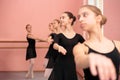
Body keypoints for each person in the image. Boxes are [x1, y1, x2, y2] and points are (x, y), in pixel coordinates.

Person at [73, 5, 120, 80]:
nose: (80, 19)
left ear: (98, 18)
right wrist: (90, 58)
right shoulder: (80, 47)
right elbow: (79, 60)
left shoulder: (117, 45)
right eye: (79, 17)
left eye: (85, 15)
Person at [52, 11, 85, 80]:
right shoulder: (59, 36)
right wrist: (58, 47)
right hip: (59, 65)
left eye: (63, 17)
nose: (61, 19)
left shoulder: (78, 37)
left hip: (71, 66)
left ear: (70, 20)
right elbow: (54, 45)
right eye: (60, 18)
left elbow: (87, 46)